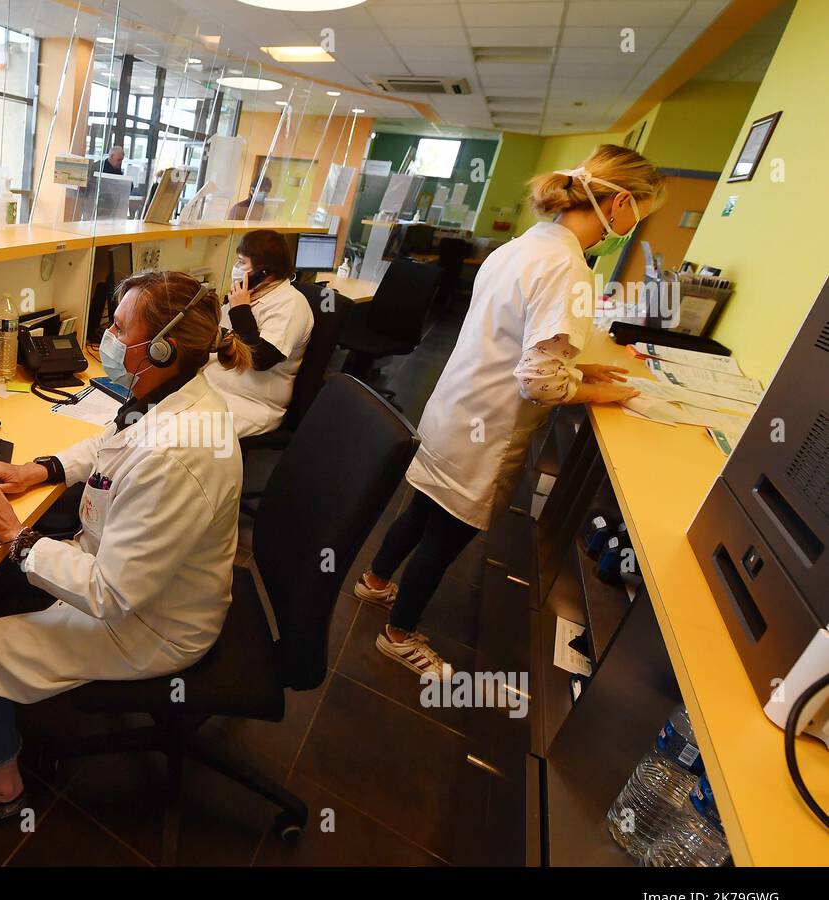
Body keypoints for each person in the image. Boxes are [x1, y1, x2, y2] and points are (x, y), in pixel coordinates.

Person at [0, 270, 251, 840]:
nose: (107, 340)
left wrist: (15, 534)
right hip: (132, 576)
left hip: (149, 624)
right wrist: (35, 471)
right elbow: (111, 442)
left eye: (120, 328)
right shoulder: (170, 397)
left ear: (163, 347)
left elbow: (110, 594)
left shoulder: (179, 454)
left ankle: (4, 790)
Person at [353, 145, 663, 679]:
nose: (637, 223)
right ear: (618, 204)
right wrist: (599, 394)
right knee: (446, 535)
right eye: (640, 210)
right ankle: (398, 635)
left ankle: (376, 583)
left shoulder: (523, 246)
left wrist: (581, 371)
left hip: (456, 406)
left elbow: (510, 339)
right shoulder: (568, 269)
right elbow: (539, 382)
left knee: (423, 506)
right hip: (489, 426)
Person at [203, 229, 314, 437]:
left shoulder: (291, 304)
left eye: (242, 262)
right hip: (216, 383)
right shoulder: (248, 294)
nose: (235, 268)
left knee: (187, 434)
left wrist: (240, 311)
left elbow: (261, 359)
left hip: (251, 402)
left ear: (263, 272)